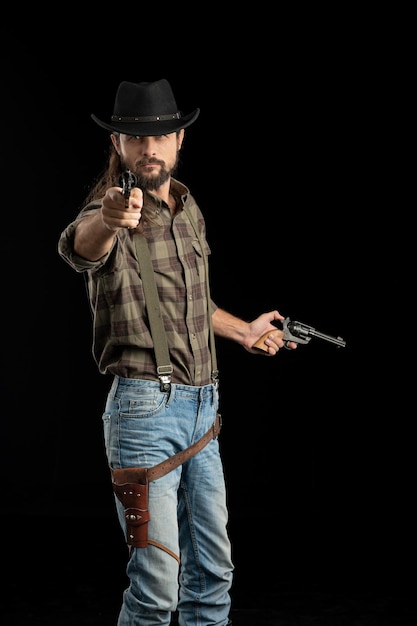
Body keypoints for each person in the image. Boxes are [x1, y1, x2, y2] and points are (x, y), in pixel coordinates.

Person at [58, 78, 297, 626]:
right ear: (117, 144)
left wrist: (242, 330)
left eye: (160, 136)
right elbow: (80, 247)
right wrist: (109, 219)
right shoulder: (111, 209)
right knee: (156, 590)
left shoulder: (188, 208)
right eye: (135, 138)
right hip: (144, 413)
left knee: (214, 577)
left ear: (179, 138)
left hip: (203, 412)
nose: (149, 148)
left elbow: (192, 305)